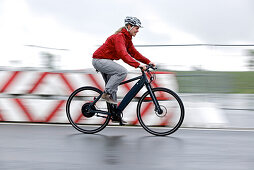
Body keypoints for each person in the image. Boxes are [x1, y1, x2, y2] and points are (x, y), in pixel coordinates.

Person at [92, 16, 155, 123]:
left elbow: (134, 53)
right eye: (136, 27)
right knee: (121, 72)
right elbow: (123, 54)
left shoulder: (127, 39)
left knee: (114, 87)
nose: (138, 30)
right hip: (99, 60)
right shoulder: (119, 37)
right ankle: (106, 93)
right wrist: (137, 65)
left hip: (106, 60)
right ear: (129, 26)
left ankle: (115, 115)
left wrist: (148, 62)